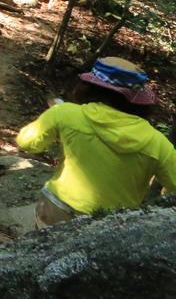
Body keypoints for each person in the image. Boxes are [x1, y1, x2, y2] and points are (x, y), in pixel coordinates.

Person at [15, 57, 176, 228]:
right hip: (113, 225)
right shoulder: (157, 143)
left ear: (89, 87)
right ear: (140, 100)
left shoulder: (64, 114)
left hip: (56, 209)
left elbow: (26, 142)